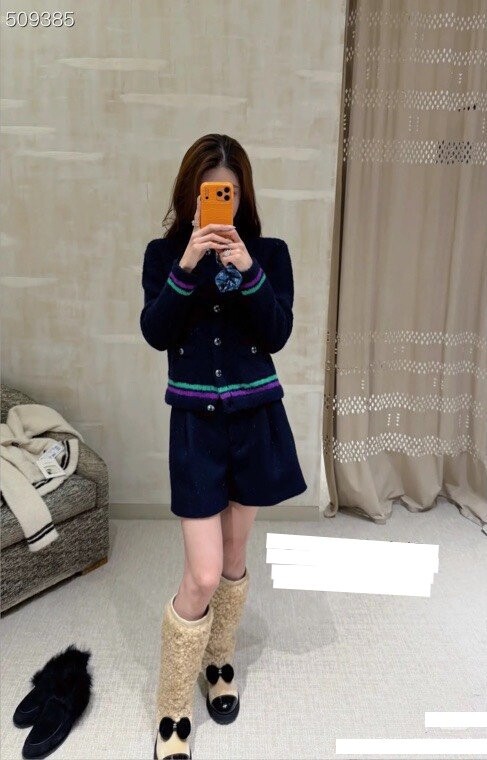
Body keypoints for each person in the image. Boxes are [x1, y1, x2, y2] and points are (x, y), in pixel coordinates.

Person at [140, 133, 307, 760]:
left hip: (255, 421)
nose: (218, 202)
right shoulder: (164, 255)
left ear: (242, 196)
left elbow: (278, 332)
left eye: (228, 193)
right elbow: (156, 332)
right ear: (190, 194)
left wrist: (249, 270)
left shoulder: (269, 253)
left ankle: (219, 662)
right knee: (203, 572)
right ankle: (172, 707)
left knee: (234, 561)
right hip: (197, 429)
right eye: (208, 191)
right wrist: (186, 266)